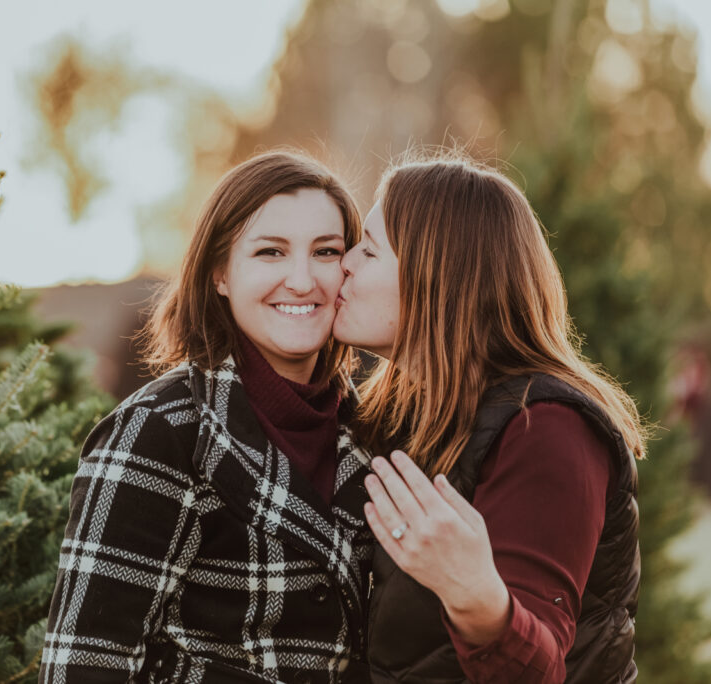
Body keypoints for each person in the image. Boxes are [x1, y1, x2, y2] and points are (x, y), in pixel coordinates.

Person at [38, 150, 375, 684]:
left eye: (327, 251)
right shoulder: (159, 431)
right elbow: (81, 668)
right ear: (220, 273)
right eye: (270, 252)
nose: (303, 280)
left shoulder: (374, 432)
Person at [332, 156, 644, 683]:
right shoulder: (410, 413)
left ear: (438, 276)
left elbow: (538, 670)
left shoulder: (546, 427)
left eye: (368, 248)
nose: (345, 262)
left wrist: (473, 595)